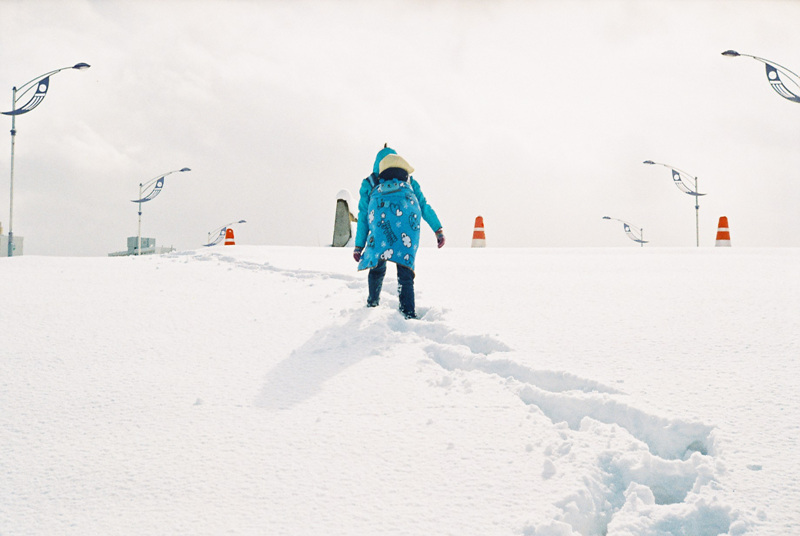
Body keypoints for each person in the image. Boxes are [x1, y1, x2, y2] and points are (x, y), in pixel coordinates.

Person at [353, 145, 445, 319]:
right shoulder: (409, 181)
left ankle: (372, 302)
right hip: (406, 227)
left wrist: (359, 246)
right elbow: (423, 205)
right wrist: (437, 229)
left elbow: (364, 215)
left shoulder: (369, 182)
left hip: (381, 228)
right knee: (405, 269)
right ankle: (407, 311)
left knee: (377, 265)